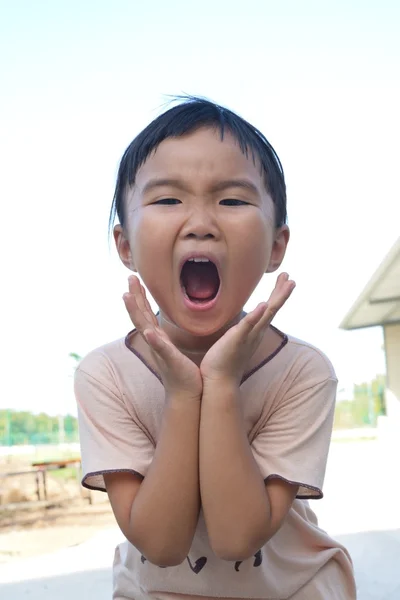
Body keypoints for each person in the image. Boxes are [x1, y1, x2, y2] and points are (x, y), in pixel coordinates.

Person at [74, 97, 357, 600]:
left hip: (293, 589)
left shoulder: (302, 372)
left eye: (231, 201)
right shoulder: (107, 375)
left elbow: (235, 536)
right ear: (126, 247)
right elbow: (160, 543)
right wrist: (183, 394)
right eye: (167, 200)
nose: (200, 222)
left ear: (276, 246)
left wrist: (220, 383)